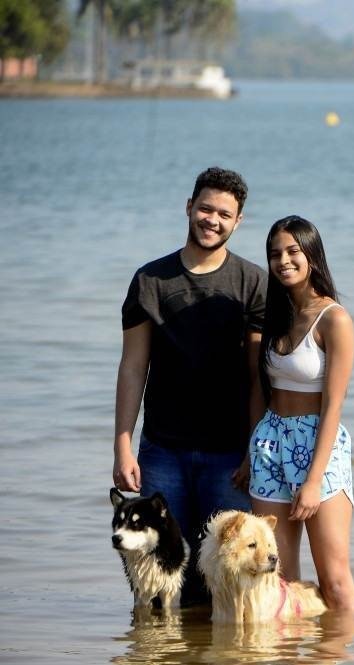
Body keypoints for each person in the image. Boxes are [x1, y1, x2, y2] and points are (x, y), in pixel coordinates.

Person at [112, 167, 267, 605]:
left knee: (225, 578)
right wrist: (123, 446)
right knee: (155, 580)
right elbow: (132, 366)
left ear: (238, 222)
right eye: (205, 208)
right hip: (163, 451)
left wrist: (253, 450)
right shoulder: (150, 281)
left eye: (224, 213)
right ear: (188, 207)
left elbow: (258, 376)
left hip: (229, 455)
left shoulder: (253, 283)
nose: (212, 219)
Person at [246, 215, 354, 613]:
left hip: (318, 446)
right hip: (270, 443)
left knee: (334, 579)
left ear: (312, 255)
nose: (284, 261)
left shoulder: (334, 319)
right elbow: (260, 391)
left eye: (293, 251)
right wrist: (250, 453)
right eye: (275, 254)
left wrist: (313, 480)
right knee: (277, 578)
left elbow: (334, 404)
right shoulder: (274, 316)